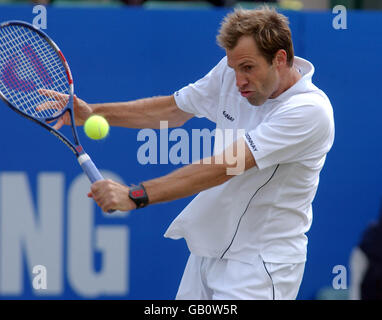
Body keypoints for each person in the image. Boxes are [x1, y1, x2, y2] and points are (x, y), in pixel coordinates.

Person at [46, 7, 335, 299]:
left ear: (280, 59)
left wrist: (136, 195)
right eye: (234, 68)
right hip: (207, 254)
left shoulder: (309, 111)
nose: (238, 81)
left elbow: (225, 166)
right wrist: (94, 113)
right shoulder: (230, 71)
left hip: (260, 266)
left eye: (248, 68)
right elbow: (173, 110)